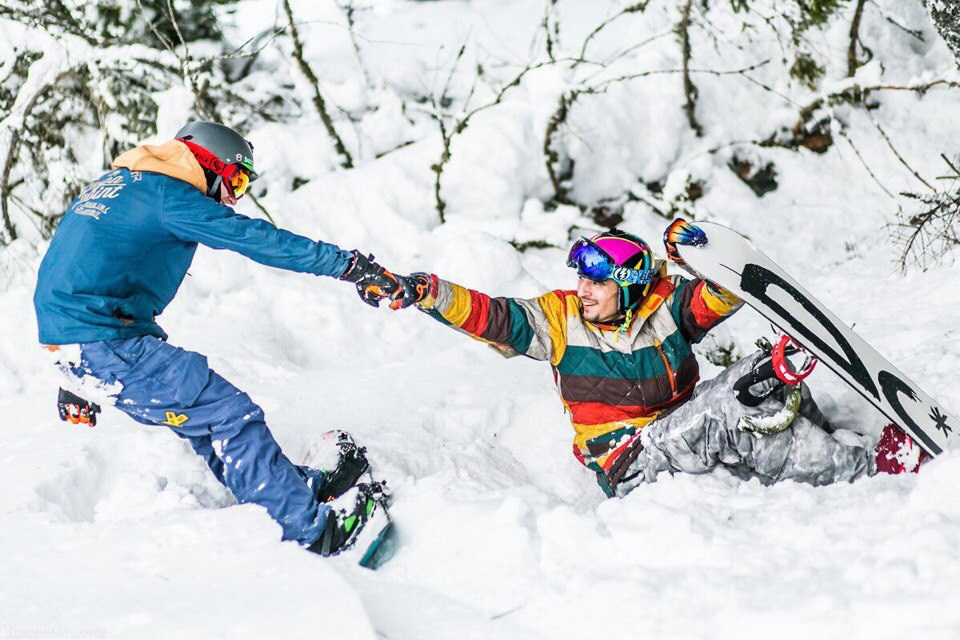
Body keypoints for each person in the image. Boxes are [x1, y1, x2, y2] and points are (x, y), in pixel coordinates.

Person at [35, 121, 394, 555]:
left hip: (89, 342)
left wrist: (74, 373)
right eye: (235, 179)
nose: (232, 196)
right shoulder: (170, 196)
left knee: (207, 420)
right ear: (207, 161)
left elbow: (72, 273)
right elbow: (257, 239)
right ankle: (309, 534)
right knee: (228, 413)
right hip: (106, 343)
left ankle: (284, 493)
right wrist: (348, 266)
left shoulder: (117, 186)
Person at [386, 222, 927, 497]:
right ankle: (861, 472)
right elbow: (491, 315)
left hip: (679, 425)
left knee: (756, 376)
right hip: (629, 462)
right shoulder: (559, 320)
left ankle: (831, 440)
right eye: (582, 278)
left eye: (597, 280)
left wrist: (699, 252)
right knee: (731, 405)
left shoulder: (665, 308)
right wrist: (428, 292)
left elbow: (728, 292)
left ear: (628, 285)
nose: (584, 289)